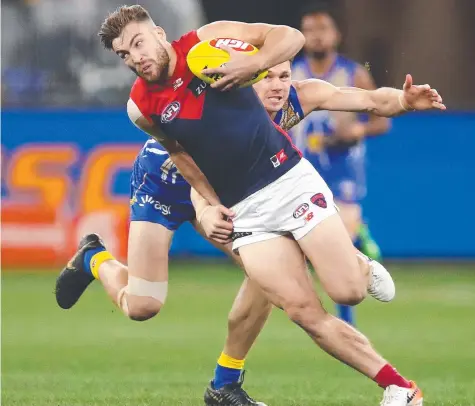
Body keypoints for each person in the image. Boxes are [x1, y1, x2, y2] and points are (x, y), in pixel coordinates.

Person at [56, 5, 444, 405]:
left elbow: (306, 54)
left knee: (311, 289)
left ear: (158, 33)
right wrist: (206, 207)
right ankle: (94, 258)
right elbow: (185, 158)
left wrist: (401, 98)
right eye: (125, 53)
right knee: (143, 306)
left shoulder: (278, 88)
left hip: (257, 189)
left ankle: (226, 381)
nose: (276, 86)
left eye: (283, 75)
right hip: (170, 182)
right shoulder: (144, 106)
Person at [292, 3, 390, 324]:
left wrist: (358, 129)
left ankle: (346, 321)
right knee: (313, 245)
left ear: (336, 35)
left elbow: (382, 121)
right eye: (309, 30)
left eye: (323, 30)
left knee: (340, 246)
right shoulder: (291, 74)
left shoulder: (353, 73)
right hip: (303, 168)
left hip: (343, 166)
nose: (316, 37)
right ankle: (362, 236)